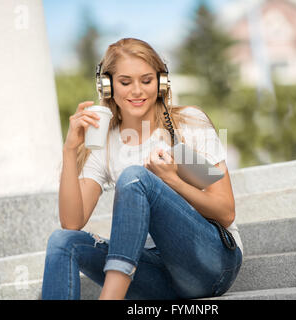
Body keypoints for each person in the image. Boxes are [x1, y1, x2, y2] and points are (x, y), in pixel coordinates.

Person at [41, 38, 243, 300]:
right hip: (156, 275)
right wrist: (70, 150)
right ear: (106, 86)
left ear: (161, 82)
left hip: (211, 265)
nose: (137, 90)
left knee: (135, 177)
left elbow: (225, 212)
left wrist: (173, 180)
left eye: (146, 80)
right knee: (62, 242)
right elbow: (72, 222)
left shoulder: (188, 123)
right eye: (125, 82)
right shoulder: (103, 142)